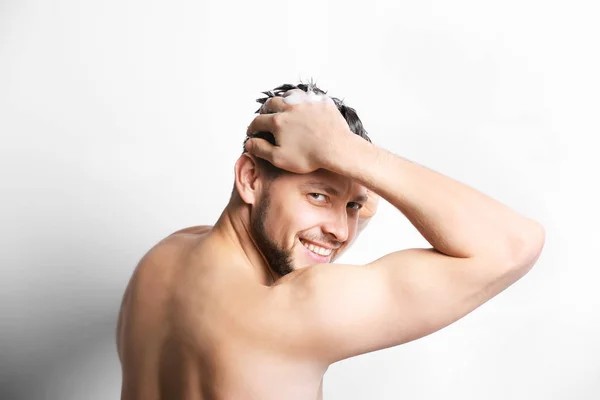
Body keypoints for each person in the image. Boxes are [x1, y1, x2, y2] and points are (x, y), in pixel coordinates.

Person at [116, 82, 545, 400]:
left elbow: (317, 235)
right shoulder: (298, 310)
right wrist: (348, 153)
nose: (341, 231)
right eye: (318, 195)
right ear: (250, 178)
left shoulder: (163, 259)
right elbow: (515, 244)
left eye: (353, 208)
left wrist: (347, 185)